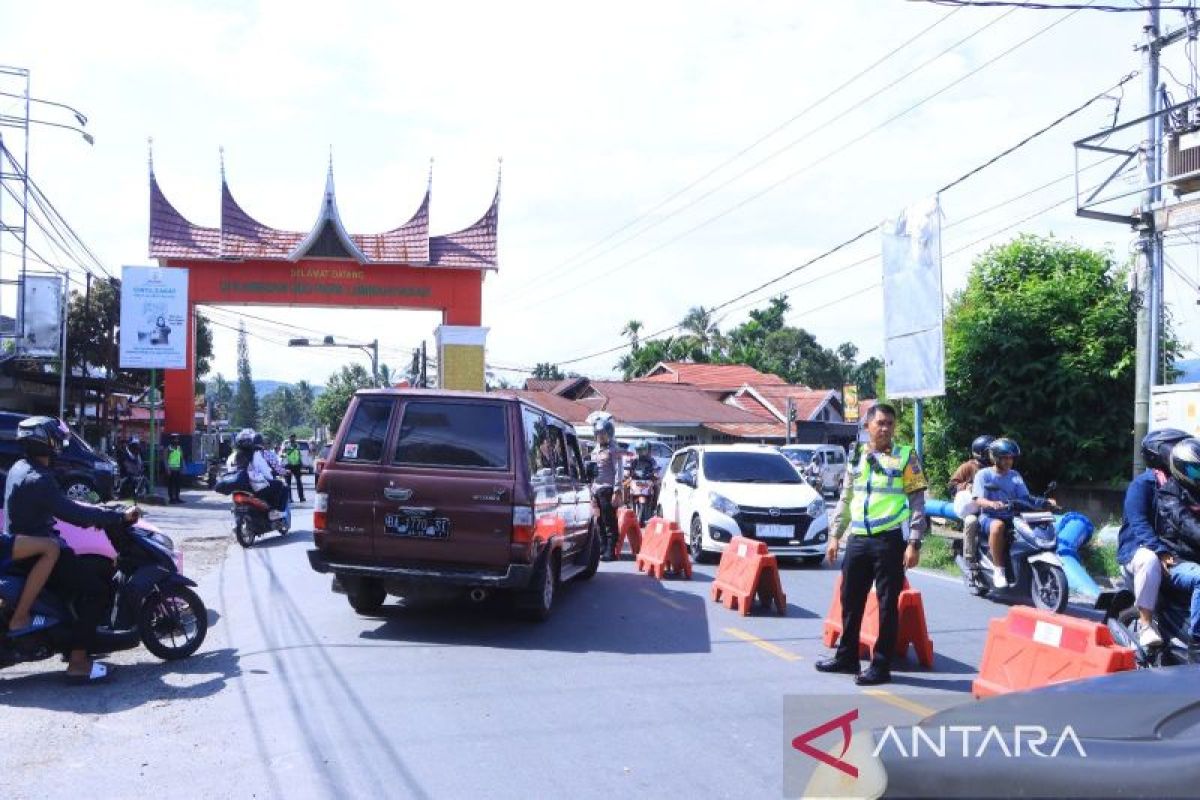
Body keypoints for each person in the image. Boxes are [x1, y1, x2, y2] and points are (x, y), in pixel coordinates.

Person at [4, 416, 138, 682]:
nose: (59, 443)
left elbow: (64, 503)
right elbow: (71, 513)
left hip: (28, 543)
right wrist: (117, 517)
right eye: (55, 438)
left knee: (93, 571)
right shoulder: (38, 478)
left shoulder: (21, 467)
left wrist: (102, 508)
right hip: (38, 551)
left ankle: (75, 640)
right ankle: (78, 662)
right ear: (44, 442)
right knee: (97, 591)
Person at [817, 403, 927, 686]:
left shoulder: (906, 456)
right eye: (880, 423)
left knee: (887, 605)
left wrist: (914, 541)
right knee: (850, 599)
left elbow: (917, 503)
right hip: (858, 539)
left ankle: (880, 666)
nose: (885, 428)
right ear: (867, 426)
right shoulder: (856, 455)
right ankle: (847, 657)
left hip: (889, 539)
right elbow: (846, 496)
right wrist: (835, 535)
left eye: (890, 423)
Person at [1118, 428, 1188, 650]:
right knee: (1148, 559)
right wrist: (1159, 551)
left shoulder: (1183, 482)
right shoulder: (1143, 485)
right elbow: (1138, 524)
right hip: (1139, 549)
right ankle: (1146, 624)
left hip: (1172, 550)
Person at [1154, 438, 1200, 664]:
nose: (1198, 472)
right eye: (1194, 468)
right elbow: (1186, 524)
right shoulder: (1169, 494)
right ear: (1181, 468)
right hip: (1176, 562)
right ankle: (1197, 644)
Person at [972, 437, 1034, 589]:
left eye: (1010, 458)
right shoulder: (983, 475)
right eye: (1004, 458)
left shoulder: (1015, 475)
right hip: (989, 517)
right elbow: (977, 499)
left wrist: (1044, 502)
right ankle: (999, 570)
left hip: (1012, 517)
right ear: (995, 458)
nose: (1008, 462)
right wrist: (991, 504)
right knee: (998, 526)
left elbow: (1025, 497)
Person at [949, 435, 993, 584]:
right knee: (971, 521)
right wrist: (965, 486)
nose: (992, 455)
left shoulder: (996, 468)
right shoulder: (969, 466)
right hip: (974, 509)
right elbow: (952, 485)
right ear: (980, 453)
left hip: (993, 507)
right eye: (989, 452)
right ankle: (970, 561)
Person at [229, 429, 287, 515]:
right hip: (255, 486)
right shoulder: (258, 454)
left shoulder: (233, 456)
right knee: (281, 486)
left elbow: (229, 469)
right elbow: (267, 471)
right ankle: (275, 512)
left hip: (240, 486)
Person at [590, 416, 622, 562]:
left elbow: (618, 470)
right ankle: (603, 546)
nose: (600, 437)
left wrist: (617, 490)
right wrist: (591, 490)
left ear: (609, 434)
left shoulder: (614, 450)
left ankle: (611, 550)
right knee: (599, 520)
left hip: (608, 489)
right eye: (598, 434)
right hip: (596, 490)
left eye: (603, 434)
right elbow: (592, 471)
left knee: (609, 521)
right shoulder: (595, 450)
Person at [626, 439, 660, 522]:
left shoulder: (651, 460)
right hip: (635, 480)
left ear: (647, 450)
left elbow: (656, 469)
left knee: (656, 487)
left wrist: (655, 475)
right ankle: (627, 502)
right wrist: (627, 473)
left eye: (643, 450)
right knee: (625, 485)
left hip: (647, 480)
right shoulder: (633, 460)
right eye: (639, 450)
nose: (641, 452)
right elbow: (628, 468)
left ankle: (654, 507)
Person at [282, 435, 306, 503]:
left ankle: (301, 497)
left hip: (297, 465)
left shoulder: (297, 445)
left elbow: (298, 454)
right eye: (291, 437)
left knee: (299, 482)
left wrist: (301, 462)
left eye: (294, 437)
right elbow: (286, 454)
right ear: (289, 438)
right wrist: (292, 449)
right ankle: (289, 498)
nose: (293, 439)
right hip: (289, 465)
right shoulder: (286, 446)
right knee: (288, 483)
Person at [166, 434, 185, 504]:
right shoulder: (169, 448)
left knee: (178, 484)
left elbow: (181, 458)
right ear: (172, 440)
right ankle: (171, 499)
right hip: (171, 470)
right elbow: (165, 459)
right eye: (175, 439)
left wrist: (182, 468)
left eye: (177, 439)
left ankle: (177, 498)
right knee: (171, 485)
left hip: (178, 470)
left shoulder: (179, 448)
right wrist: (167, 469)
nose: (176, 440)